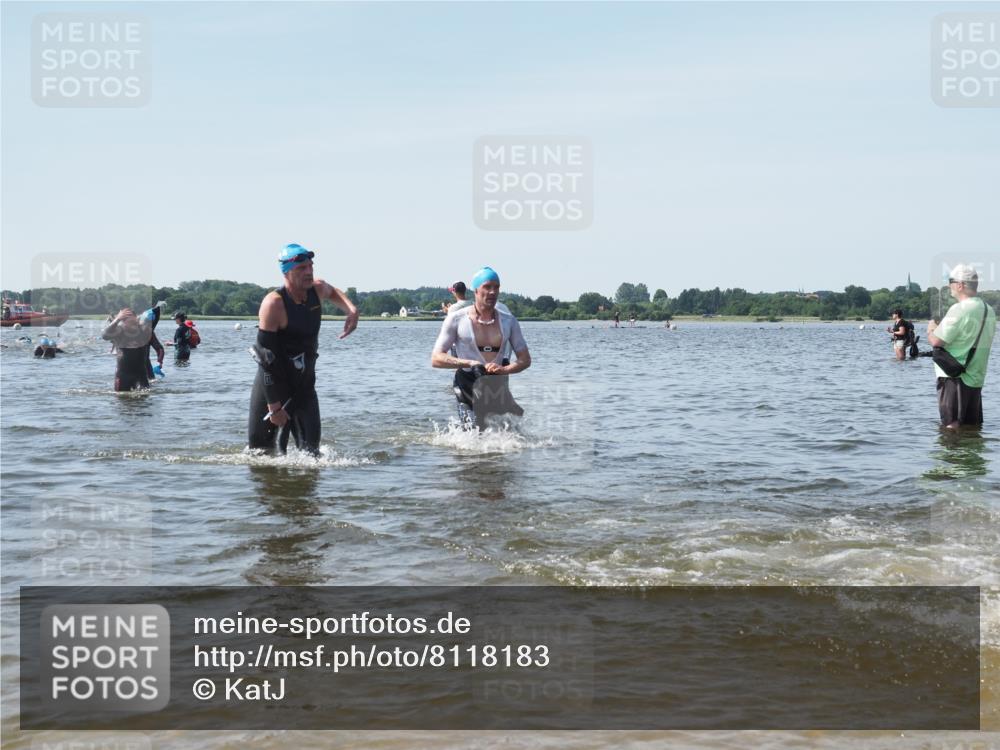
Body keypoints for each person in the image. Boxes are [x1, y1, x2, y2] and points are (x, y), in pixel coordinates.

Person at [248, 243, 359, 455]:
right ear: (287, 272)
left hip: (304, 386)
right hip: (272, 386)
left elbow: (332, 291)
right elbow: (264, 358)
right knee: (259, 455)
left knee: (311, 456)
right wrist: (274, 407)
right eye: (302, 269)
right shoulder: (274, 304)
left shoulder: (316, 290)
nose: (309, 272)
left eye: (310, 266)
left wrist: (352, 310)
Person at [431, 266, 531, 429]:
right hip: (467, 383)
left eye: (496, 287)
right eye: (487, 287)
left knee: (505, 433)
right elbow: (436, 358)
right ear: (476, 290)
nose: (492, 292)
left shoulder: (509, 321)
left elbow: (525, 360)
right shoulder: (457, 319)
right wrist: (470, 363)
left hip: (496, 383)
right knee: (472, 433)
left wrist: (504, 370)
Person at [927, 264, 997, 429]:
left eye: (951, 281)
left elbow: (936, 341)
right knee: (972, 429)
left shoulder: (959, 309)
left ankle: (953, 455)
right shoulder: (989, 310)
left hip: (955, 377)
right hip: (976, 378)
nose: (949, 286)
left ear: (960, 285)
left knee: (951, 427)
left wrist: (931, 328)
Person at [101, 308, 154, 391]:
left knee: (144, 399)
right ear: (123, 322)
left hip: (141, 375)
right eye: (129, 322)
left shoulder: (143, 330)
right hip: (123, 375)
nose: (132, 324)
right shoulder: (119, 332)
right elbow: (104, 336)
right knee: (122, 401)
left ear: (137, 319)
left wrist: (148, 319)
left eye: (134, 322)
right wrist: (117, 319)